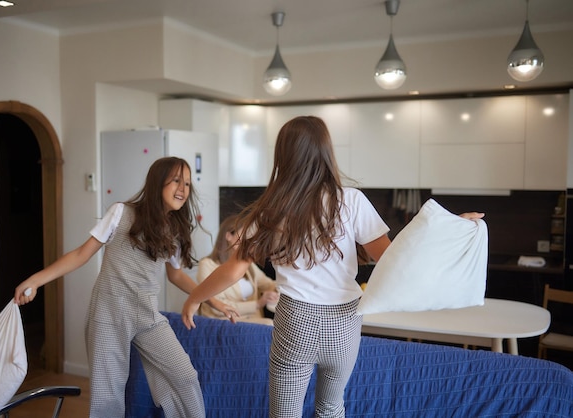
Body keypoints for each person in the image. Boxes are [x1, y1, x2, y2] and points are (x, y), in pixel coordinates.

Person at [181, 116, 484, 417]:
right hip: (344, 322)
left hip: (295, 321)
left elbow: (233, 269)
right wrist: (449, 226)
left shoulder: (271, 209)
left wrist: (195, 296)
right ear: (325, 153)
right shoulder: (350, 201)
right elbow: (394, 258)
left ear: (283, 157)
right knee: (330, 408)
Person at [14, 157, 237, 418]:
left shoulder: (174, 230)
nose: (183, 188)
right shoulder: (122, 212)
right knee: (108, 399)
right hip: (108, 312)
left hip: (148, 315)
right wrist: (35, 280)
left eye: (187, 183)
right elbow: (81, 254)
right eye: (176, 180)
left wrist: (214, 301)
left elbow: (175, 276)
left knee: (185, 375)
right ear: (158, 182)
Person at [197, 214, 279, 325]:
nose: (249, 239)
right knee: (269, 325)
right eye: (245, 233)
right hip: (225, 323)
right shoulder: (207, 265)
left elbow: (268, 284)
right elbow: (214, 306)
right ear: (228, 236)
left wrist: (277, 289)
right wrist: (258, 304)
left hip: (253, 322)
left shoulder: (247, 265)